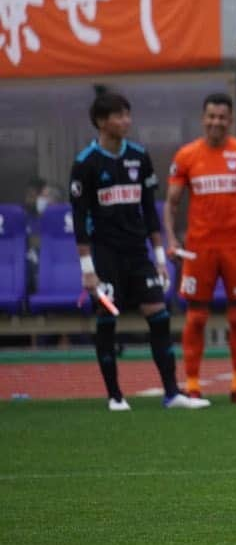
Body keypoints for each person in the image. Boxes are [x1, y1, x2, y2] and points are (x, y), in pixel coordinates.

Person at [70, 92, 209, 412]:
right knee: (107, 318)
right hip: (105, 255)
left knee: (158, 315)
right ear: (102, 122)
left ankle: (172, 393)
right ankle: (115, 396)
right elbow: (80, 219)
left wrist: (160, 257)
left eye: (127, 115)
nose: (126, 121)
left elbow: (149, 211)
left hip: (138, 254)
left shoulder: (139, 156)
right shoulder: (85, 164)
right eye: (119, 116)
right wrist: (87, 268)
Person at [163, 93, 236, 404]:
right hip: (200, 248)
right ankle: (193, 385)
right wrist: (172, 239)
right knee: (196, 317)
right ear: (203, 118)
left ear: (231, 119)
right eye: (211, 116)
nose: (216, 122)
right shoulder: (186, 155)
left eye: (222, 117)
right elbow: (171, 203)